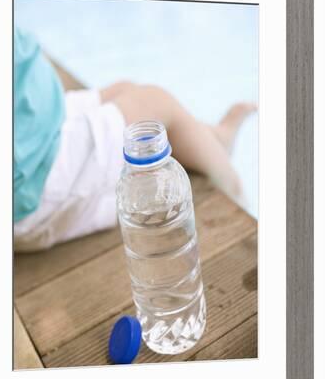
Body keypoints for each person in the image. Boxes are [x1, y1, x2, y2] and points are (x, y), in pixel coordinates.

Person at [14, 28, 256, 252]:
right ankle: (237, 193)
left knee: (125, 89)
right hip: (35, 178)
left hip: (38, 122)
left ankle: (216, 140)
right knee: (156, 104)